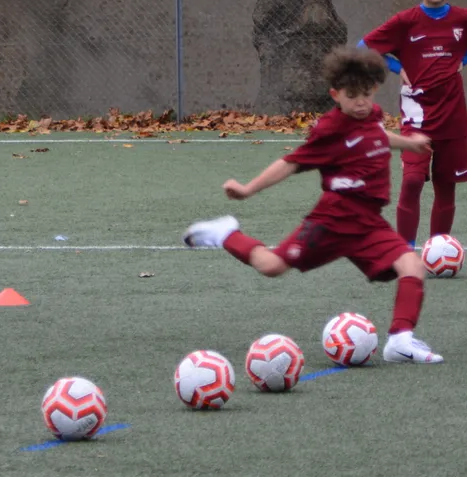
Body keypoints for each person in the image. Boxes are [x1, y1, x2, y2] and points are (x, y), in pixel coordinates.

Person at [183, 46, 444, 364]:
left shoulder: (371, 116)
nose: (361, 103)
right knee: (272, 266)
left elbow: (377, 135)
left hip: (368, 222)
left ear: (374, 89)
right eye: (352, 96)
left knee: (412, 266)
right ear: (335, 94)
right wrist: (248, 189)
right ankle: (226, 233)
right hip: (333, 219)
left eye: (366, 94)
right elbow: (290, 163)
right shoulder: (329, 131)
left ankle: (400, 342)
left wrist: (409, 143)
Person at [358, 0, 467, 248]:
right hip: (417, 116)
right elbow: (364, 45)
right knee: (412, 181)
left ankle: (438, 247)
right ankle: (405, 250)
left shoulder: (464, 19)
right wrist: (398, 67)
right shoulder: (405, 21)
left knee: (447, 187)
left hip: (453, 117)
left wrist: (464, 60)